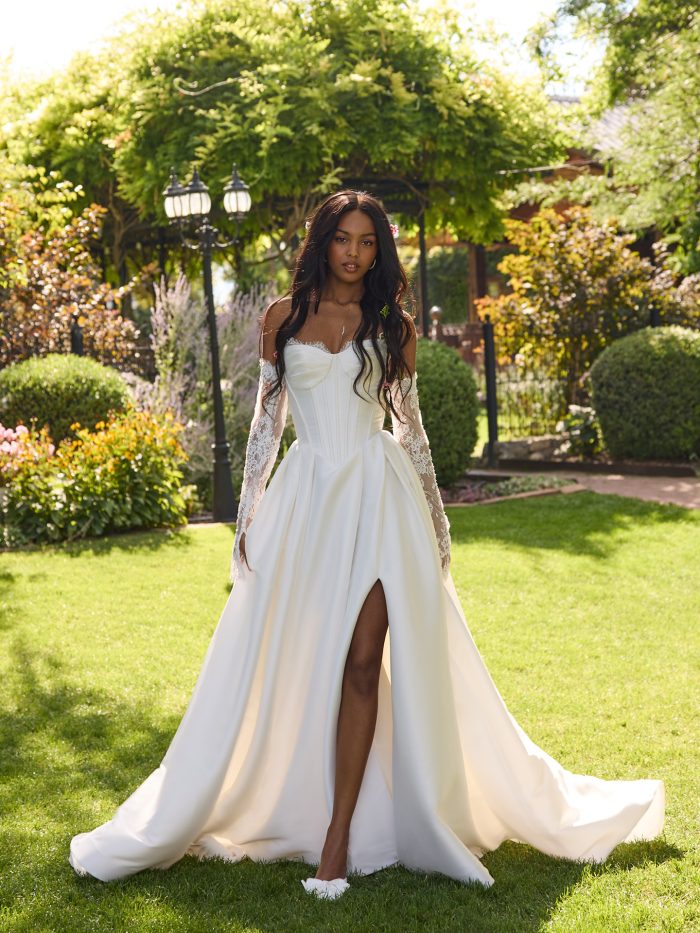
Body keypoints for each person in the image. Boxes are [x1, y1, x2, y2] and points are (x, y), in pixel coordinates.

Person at [69, 189, 664, 900]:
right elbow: (266, 422)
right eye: (343, 239)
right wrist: (247, 517)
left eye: (367, 243)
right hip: (308, 501)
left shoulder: (392, 325)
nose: (354, 253)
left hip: (382, 499)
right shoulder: (280, 319)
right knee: (303, 659)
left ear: (378, 253)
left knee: (360, 662)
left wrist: (438, 522)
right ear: (322, 242)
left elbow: (410, 430)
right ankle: (303, 800)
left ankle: (336, 840)